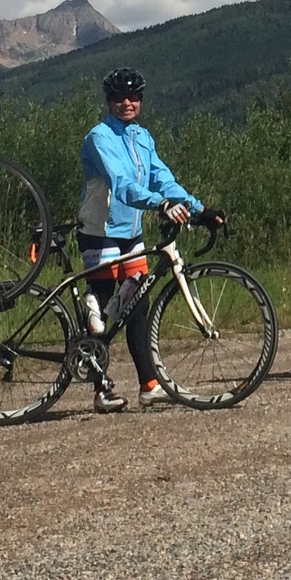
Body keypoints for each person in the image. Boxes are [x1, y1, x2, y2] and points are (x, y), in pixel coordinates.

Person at [78, 67, 208, 412]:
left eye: (133, 96)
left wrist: (197, 208)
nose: (126, 102)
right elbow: (122, 184)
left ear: (141, 100)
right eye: (119, 97)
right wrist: (160, 204)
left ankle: (149, 385)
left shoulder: (142, 137)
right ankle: (101, 390)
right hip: (100, 232)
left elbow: (162, 178)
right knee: (102, 309)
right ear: (109, 101)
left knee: (137, 306)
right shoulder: (100, 137)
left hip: (131, 233)